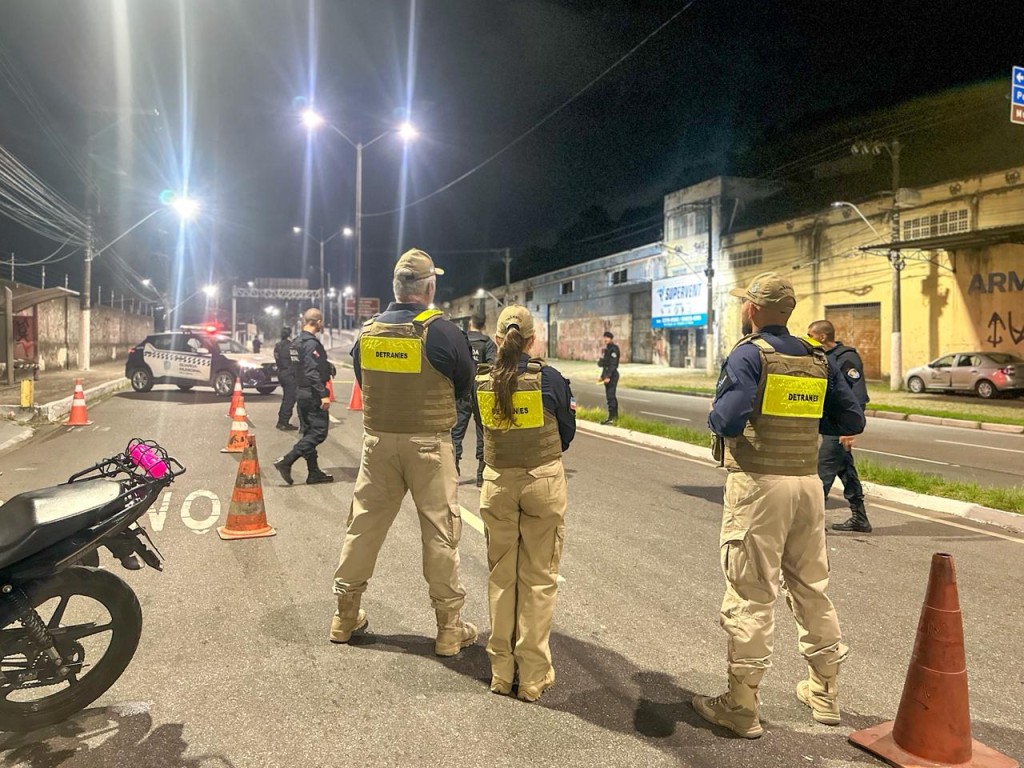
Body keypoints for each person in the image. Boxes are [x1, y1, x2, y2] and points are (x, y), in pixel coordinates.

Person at [694, 272, 865, 739]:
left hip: (759, 485)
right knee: (811, 586)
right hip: (807, 483)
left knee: (751, 592)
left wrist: (714, 414)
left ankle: (741, 705)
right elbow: (851, 417)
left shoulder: (749, 353)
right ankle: (824, 694)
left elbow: (729, 420)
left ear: (752, 309)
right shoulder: (816, 357)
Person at [330, 249, 477, 656]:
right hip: (429, 446)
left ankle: (344, 616)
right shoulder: (443, 332)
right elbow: (463, 385)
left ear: (395, 288)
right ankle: (449, 629)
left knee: (363, 527)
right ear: (429, 288)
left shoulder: (367, 333)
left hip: (378, 445)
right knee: (440, 534)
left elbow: (364, 381)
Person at [476, 305, 576, 702]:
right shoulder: (549, 379)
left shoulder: (483, 380)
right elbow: (566, 433)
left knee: (502, 577)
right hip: (542, 481)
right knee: (539, 578)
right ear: (532, 340)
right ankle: (532, 676)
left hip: (498, 483)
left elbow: (484, 432)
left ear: (498, 339)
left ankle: (501, 672)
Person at [807, 320, 872, 533]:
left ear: (822, 337)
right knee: (845, 470)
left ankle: (811, 524)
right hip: (829, 425)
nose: (808, 338)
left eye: (811, 335)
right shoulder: (825, 356)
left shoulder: (846, 358)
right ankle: (860, 518)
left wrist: (849, 429)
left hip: (839, 428)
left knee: (822, 475)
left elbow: (857, 394)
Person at [272, 309, 333, 485]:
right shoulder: (311, 344)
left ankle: (313, 472)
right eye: (322, 322)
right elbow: (311, 371)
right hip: (313, 394)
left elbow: (297, 367)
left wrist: (326, 367)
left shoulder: (295, 343)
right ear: (318, 322)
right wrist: (323, 394)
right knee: (318, 432)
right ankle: (287, 461)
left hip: (301, 392)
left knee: (308, 432)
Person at [452, 314, 497, 486]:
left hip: (462, 389)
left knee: (456, 431)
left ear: (470, 324)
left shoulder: (460, 341)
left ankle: (453, 469)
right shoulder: (488, 343)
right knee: (482, 431)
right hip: (481, 391)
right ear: (483, 325)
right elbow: (493, 367)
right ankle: (481, 474)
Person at [274, 327, 298, 431]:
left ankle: (281, 421)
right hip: (289, 374)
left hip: (281, 372)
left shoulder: (277, 346)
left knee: (286, 398)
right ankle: (283, 422)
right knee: (290, 399)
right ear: (290, 334)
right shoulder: (291, 346)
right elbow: (295, 361)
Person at [597, 331, 620, 425]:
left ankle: (612, 418)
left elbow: (613, 365)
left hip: (612, 375)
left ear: (611, 339)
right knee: (609, 397)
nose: (605, 339)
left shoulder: (614, 349)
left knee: (611, 397)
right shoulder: (606, 349)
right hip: (607, 375)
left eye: (607, 337)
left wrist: (608, 376)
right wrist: (602, 376)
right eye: (604, 337)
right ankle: (613, 417)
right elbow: (603, 365)